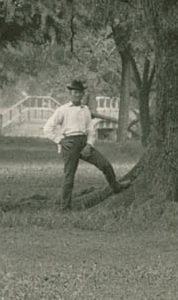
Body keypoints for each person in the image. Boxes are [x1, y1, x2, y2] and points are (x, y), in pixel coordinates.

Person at [43, 78, 123, 207]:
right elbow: (47, 128)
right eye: (74, 92)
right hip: (69, 143)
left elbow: (91, 130)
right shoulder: (62, 110)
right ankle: (65, 206)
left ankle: (116, 187)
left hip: (84, 143)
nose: (77, 94)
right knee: (69, 176)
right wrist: (60, 140)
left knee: (105, 165)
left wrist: (89, 145)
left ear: (82, 94)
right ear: (70, 94)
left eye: (79, 92)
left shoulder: (85, 109)